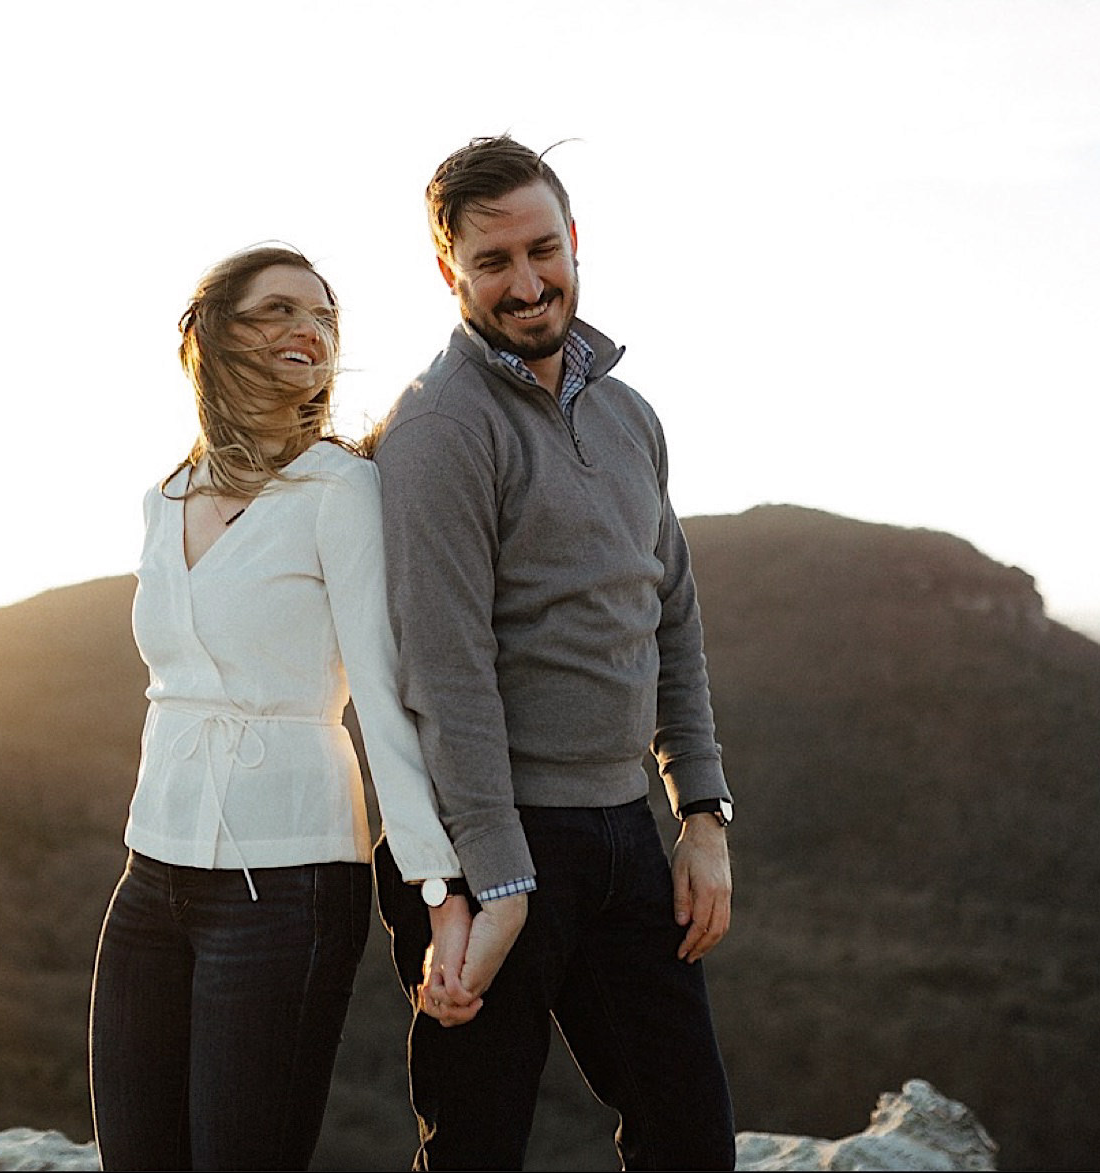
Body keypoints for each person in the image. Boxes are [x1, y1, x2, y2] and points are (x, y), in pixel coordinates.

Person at [370, 136, 738, 1170]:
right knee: (479, 1146)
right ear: (450, 272)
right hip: (493, 833)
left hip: (623, 827)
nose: (526, 285)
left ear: (574, 239)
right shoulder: (440, 427)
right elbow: (443, 671)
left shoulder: (628, 417)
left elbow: (668, 616)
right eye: (492, 263)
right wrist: (498, 875)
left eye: (542, 250)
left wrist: (699, 813)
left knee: (688, 1138)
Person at [88, 244, 478, 1172]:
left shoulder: (341, 490)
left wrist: (439, 888)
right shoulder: (165, 496)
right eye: (278, 311)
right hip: (151, 876)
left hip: (289, 883)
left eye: (323, 317)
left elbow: (385, 701)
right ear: (217, 335)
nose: (308, 330)